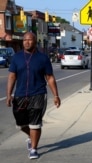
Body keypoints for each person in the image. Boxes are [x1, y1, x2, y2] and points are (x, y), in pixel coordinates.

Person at [6, 32, 61, 160]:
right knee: (21, 124)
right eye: (25, 40)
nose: (26, 42)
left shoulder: (43, 58)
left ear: (35, 42)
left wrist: (56, 95)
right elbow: (12, 76)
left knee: (35, 123)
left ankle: (34, 149)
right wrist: (9, 94)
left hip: (38, 94)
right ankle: (31, 136)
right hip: (19, 95)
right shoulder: (17, 57)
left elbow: (50, 78)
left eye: (30, 40)